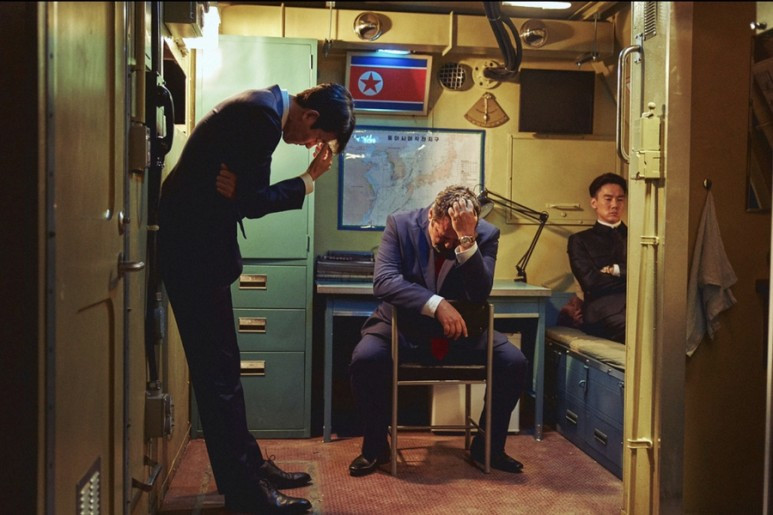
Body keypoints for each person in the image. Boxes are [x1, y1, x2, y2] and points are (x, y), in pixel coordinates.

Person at [158, 83, 355, 513]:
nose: (310, 146)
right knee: (220, 380)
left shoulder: (261, 107)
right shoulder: (262, 118)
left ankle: (248, 469)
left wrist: (242, 195)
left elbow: (243, 197)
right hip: (194, 256)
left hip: (197, 253)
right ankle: (246, 492)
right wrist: (308, 180)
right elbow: (252, 202)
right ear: (310, 117)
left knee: (225, 375)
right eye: (317, 139)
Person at [347, 185, 528, 477]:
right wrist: (436, 304)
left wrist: (467, 242)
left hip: (461, 333)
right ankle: (375, 447)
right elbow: (384, 281)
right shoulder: (400, 225)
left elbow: (479, 292)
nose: (447, 246)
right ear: (431, 214)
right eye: (443, 236)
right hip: (402, 326)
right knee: (365, 358)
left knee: (513, 361)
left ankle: (488, 448)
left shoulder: (485, 235)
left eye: (455, 240)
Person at [567, 173, 628, 343]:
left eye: (620, 199)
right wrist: (629, 276)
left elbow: (646, 277)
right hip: (600, 312)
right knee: (634, 329)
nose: (614, 205)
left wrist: (614, 271)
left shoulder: (637, 238)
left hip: (638, 307)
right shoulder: (580, 240)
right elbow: (591, 283)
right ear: (594, 203)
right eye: (608, 199)